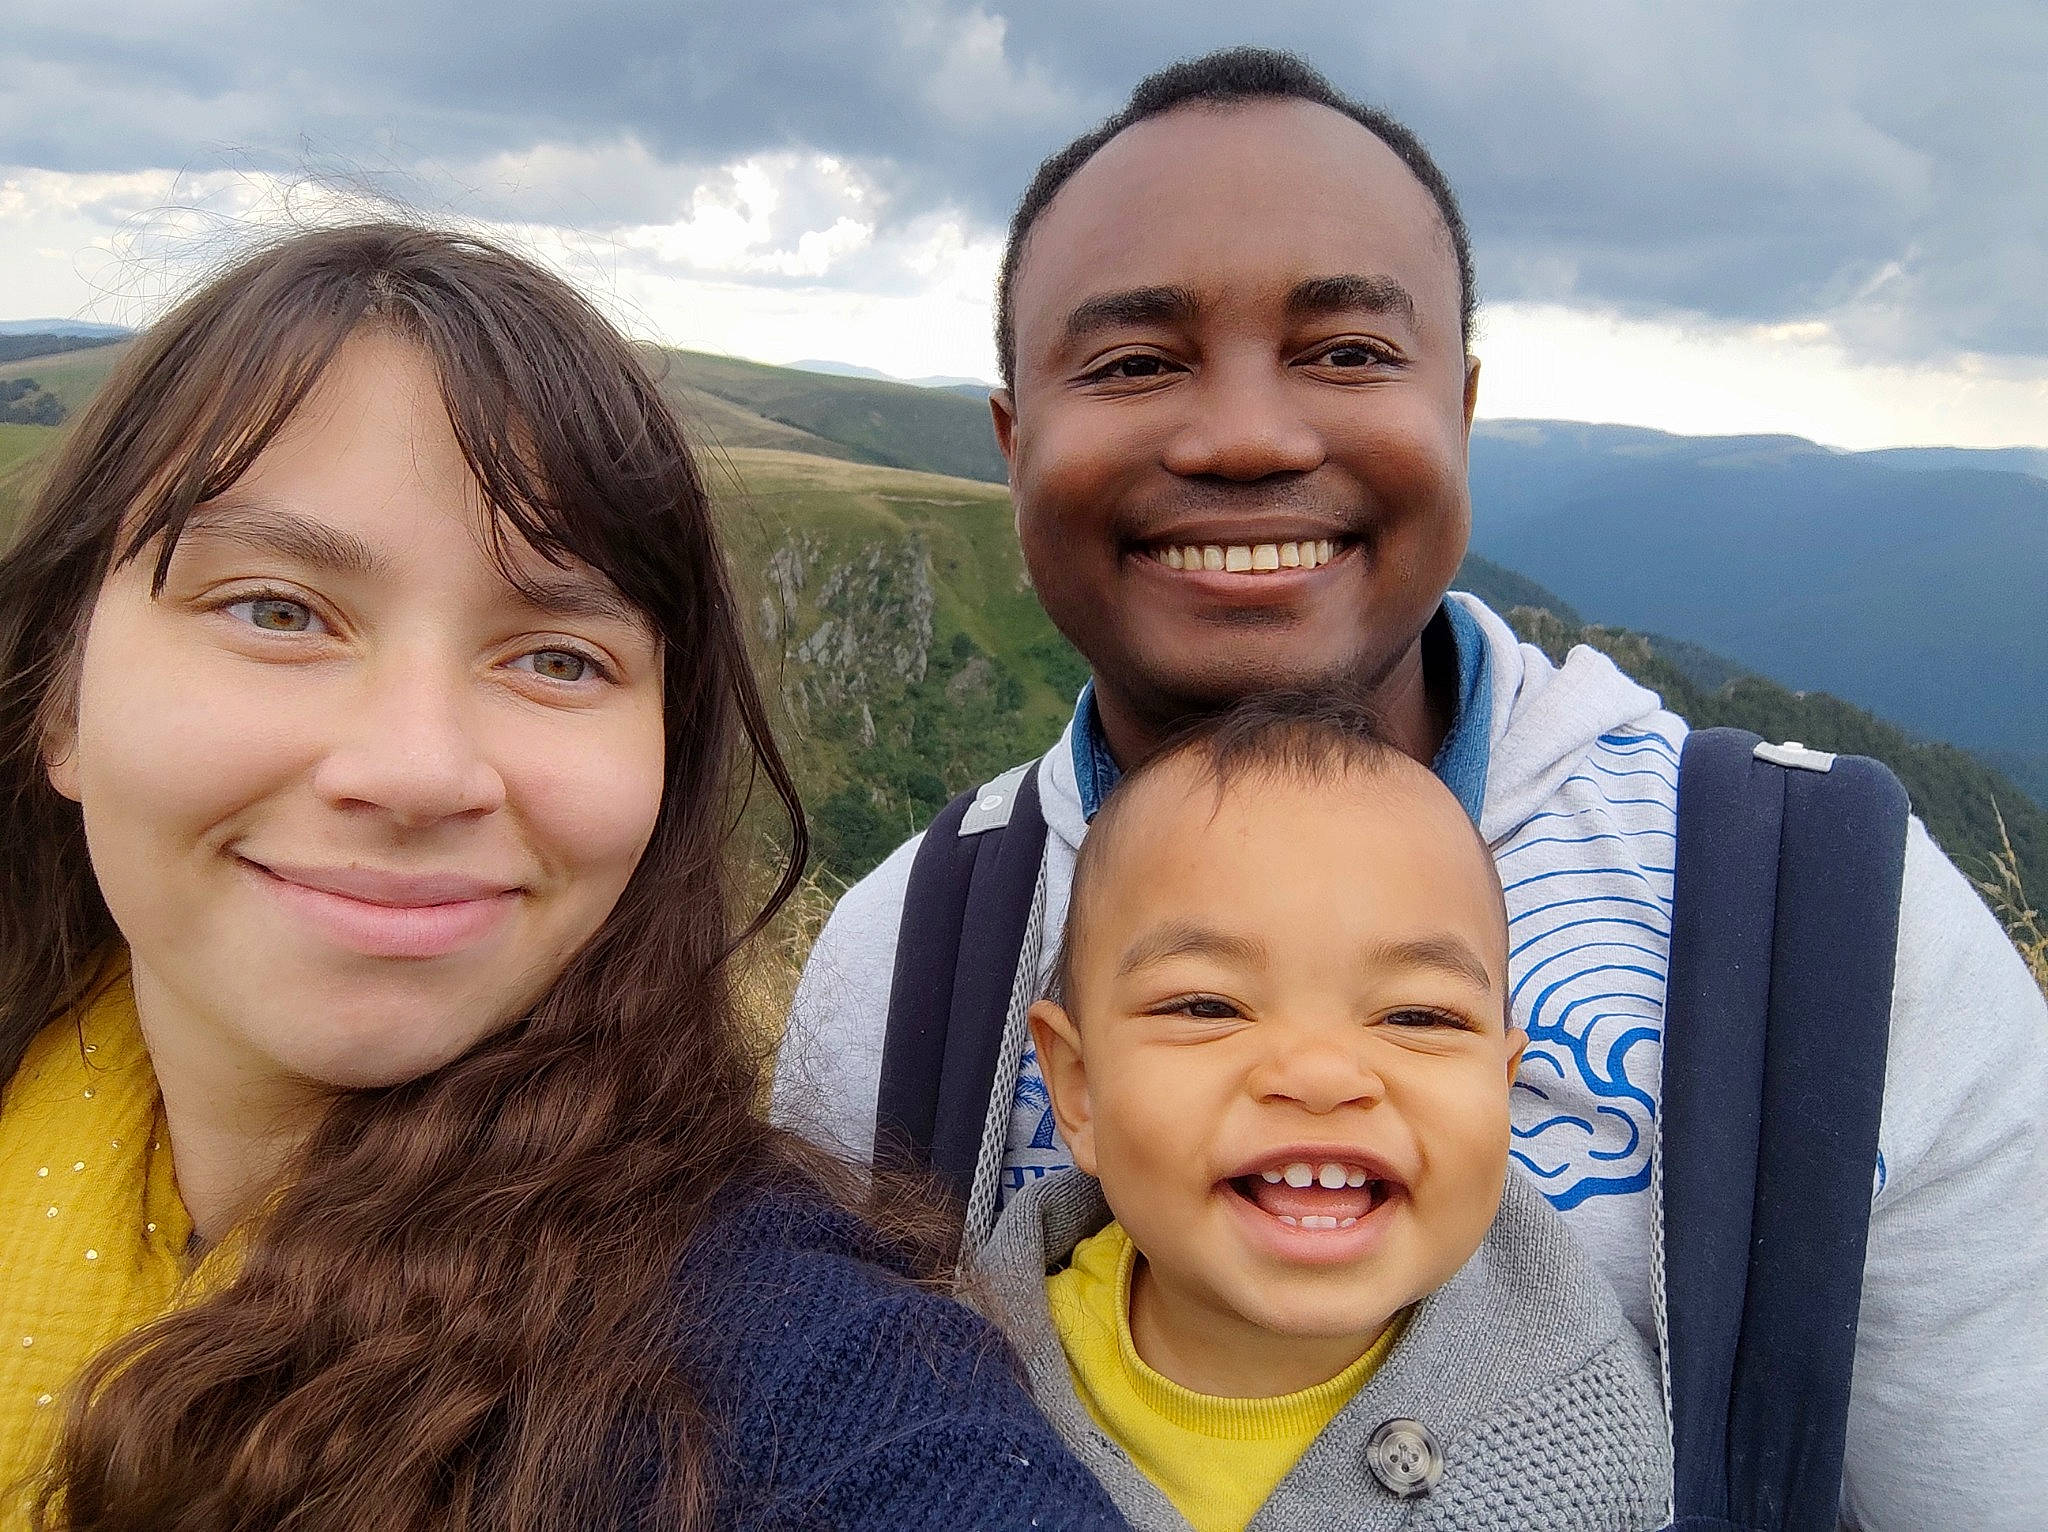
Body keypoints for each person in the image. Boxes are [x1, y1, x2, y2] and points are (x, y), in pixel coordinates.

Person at [777, 47, 2048, 1531]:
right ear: (1014, 444)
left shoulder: (1824, 917)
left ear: (1461, 405)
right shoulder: (904, 958)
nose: (1247, 436)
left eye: (1347, 351)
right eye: (1131, 363)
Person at [0, 222, 1127, 1531]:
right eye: (277, 610)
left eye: (556, 658)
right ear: (63, 703)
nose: (418, 770)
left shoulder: (784, 1382)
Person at [974, 692, 1668, 1531]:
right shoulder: (950, 1385)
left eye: (1419, 1016)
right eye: (1207, 1006)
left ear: (1502, 1085)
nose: (1321, 1076)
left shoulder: (1581, 1446)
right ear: (1079, 1089)